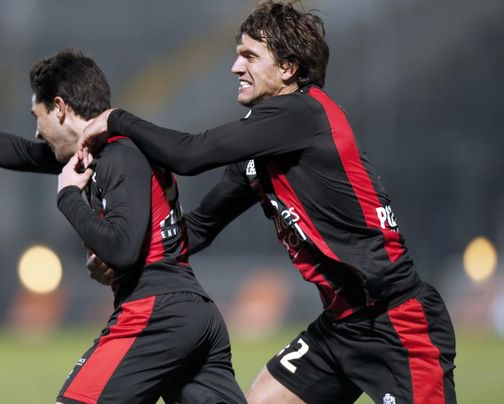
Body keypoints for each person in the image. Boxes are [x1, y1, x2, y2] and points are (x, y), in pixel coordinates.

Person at [79, 2, 456, 403]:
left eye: (249, 56)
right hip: (341, 325)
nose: (235, 68)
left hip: (397, 321)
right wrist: (129, 256)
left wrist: (118, 119)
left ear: (288, 68)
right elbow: (200, 227)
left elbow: (189, 155)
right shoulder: (262, 145)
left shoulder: (302, 112)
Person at [0, 49, 246, 404]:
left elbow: (122, 248)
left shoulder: (119, 153)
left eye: (38, 117)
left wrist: (67, 196)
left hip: (155, 312)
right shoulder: (99, 154)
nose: (37, 133)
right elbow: (17, 152)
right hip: (188, 312)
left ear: (60, 108)